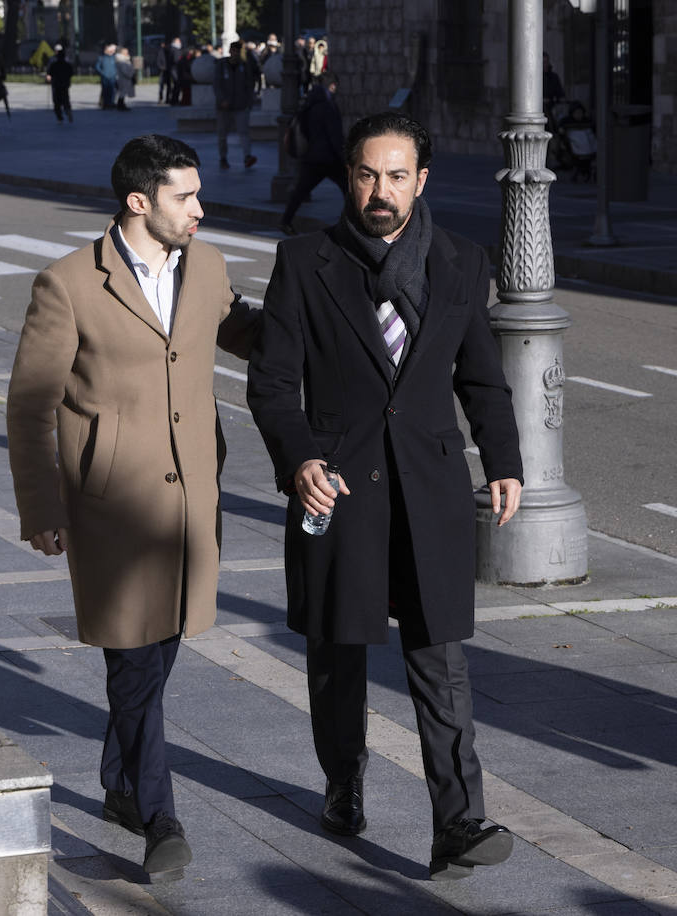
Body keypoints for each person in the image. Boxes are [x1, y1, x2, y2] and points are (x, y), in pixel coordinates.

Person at [246, 111, 523, 881]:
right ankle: (343, 780)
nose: (381, 191)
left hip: (429, 487)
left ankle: (457, 822)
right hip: (336, 486)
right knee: (337, 652)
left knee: (440, 659)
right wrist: (298, 457)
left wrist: (504, 461)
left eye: (397, 176)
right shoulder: (305, 263)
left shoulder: (463, 263)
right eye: (368, 175)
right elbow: (270, 384)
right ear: (349, 179)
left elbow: (482, 379)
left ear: (421, 181)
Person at [6, 134, 259, 884]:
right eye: (186, 196)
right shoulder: (68, 284)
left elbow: (240, 331)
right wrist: (41, 505)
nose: (200, 210)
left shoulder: (205, 266)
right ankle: (160, 815)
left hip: (190, 502)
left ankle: (119, 785)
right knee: (133, 659)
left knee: (164, 643)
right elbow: (30, 407)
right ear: (140, 202)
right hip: (112, 505)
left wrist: (321, 322)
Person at [280, 71, 347, 235]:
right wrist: (344, 157)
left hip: (311, 157)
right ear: (332, 86)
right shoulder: (328, 105)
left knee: (301, 191)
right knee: (349, 190)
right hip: (329, 158)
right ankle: (351, 224)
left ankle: (285, 221)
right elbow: (334, 135)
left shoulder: (309, 103)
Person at [213, 40, 259, 169]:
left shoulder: (244, 65)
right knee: (222, 134)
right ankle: (223, 158)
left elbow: (249, 85)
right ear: (230, 51)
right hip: (223, 107)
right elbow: (217, 85)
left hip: (241, 105)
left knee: (244, 132)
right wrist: (222, 100)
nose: (236, 54)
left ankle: (247, 156)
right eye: (234, 51)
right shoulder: (221, 65)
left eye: (238, 51)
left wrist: (249, 102)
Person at [46, 44, 75, 122]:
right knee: (65, 99)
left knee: (57, 102)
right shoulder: (66, 64)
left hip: (56, 85)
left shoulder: (55, 64)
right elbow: (71, 72)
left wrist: (49, 76)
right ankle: (67, 111)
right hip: (64, 84)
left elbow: (50, 71)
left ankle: (60, 116)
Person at [96, 43, 118, 109]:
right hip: (104, 77)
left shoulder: (115, 58)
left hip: (113, 77)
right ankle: (105, 104)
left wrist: (115, 73)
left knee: (112, 91)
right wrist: (103, 73)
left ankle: (111, 103)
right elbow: (97, 67)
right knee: (105, 91)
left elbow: (118, 67)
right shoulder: (101, 58)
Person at [159, 37, 181, 104]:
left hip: (170, 69)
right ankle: (173, 99)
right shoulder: (174, 49)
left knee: (171, 85)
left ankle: (170, 99)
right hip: (173, 69)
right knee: (175, 84)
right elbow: (176, 59)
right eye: (178, 41)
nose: (180, 42)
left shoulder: (171, 49)